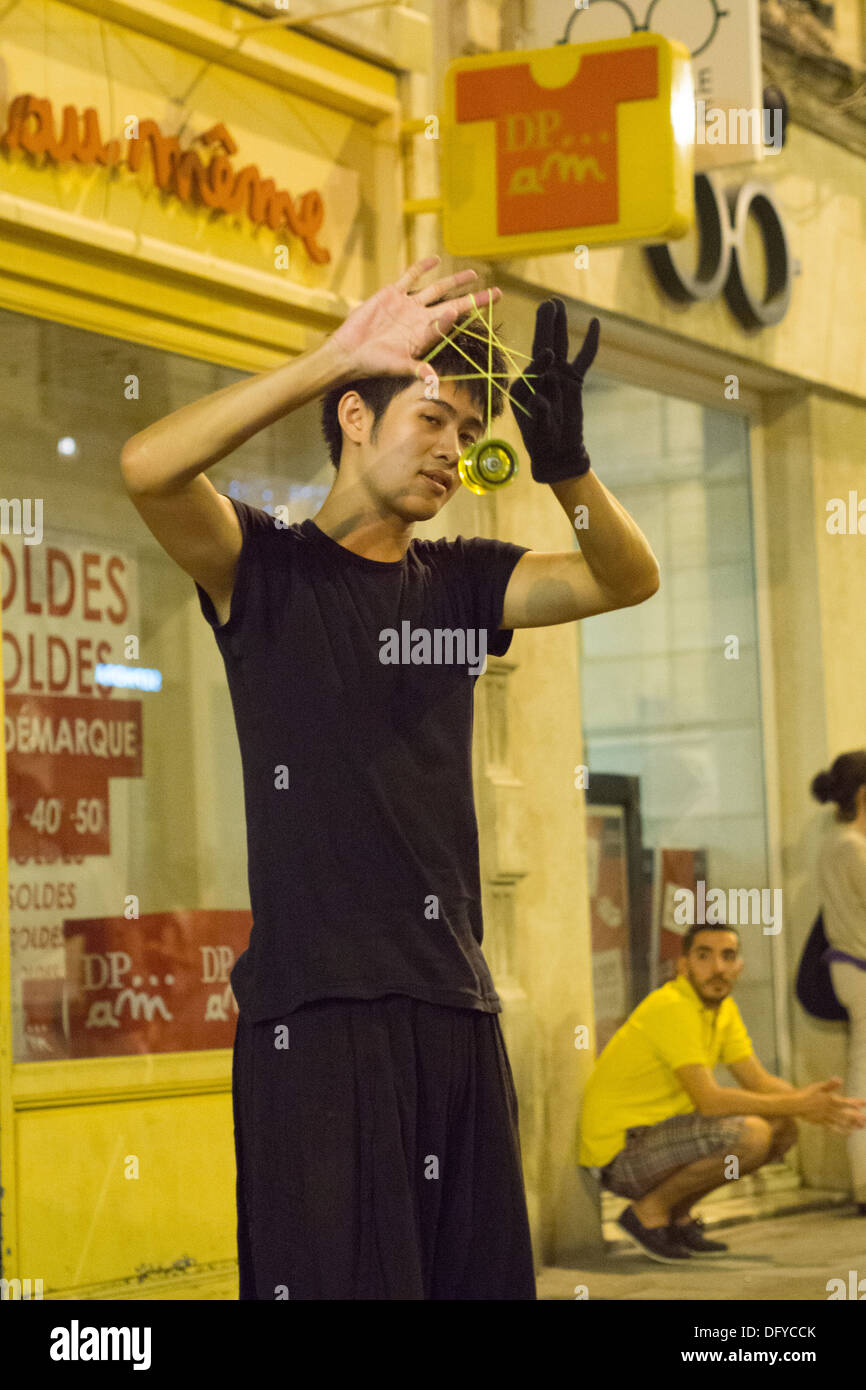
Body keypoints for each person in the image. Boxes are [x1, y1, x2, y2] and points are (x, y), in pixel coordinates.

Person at [120, 255, 660, 1299]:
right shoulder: (261, 567)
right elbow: (148, 468)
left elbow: (620, 577)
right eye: (431, 421)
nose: (453, 451)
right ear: (356, 418)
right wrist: (333, 353)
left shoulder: (462, 581)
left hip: (452, 1005)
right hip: (313, 1018)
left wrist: (568, 470)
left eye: (468, 434)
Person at [578, 922, 866, 1263]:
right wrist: (800, 1104)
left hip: (658, 1138)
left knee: (781, 1128)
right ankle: (646, 1214)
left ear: (739, 966)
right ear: (683, 965)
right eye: (704, 956)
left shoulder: (722, 1009)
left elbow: (757, 1079)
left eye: (727, 956)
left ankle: (676, 1216)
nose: (718, 968)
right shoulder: (672, 1006)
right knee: (751, 1134)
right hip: (621, 1154)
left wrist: (815, 1105)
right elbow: (710, 1100)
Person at [812, 749, 866, 1215]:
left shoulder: (839, 843)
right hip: (860, 970)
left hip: (849, 969)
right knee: (862, 1077)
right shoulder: (851, 847)